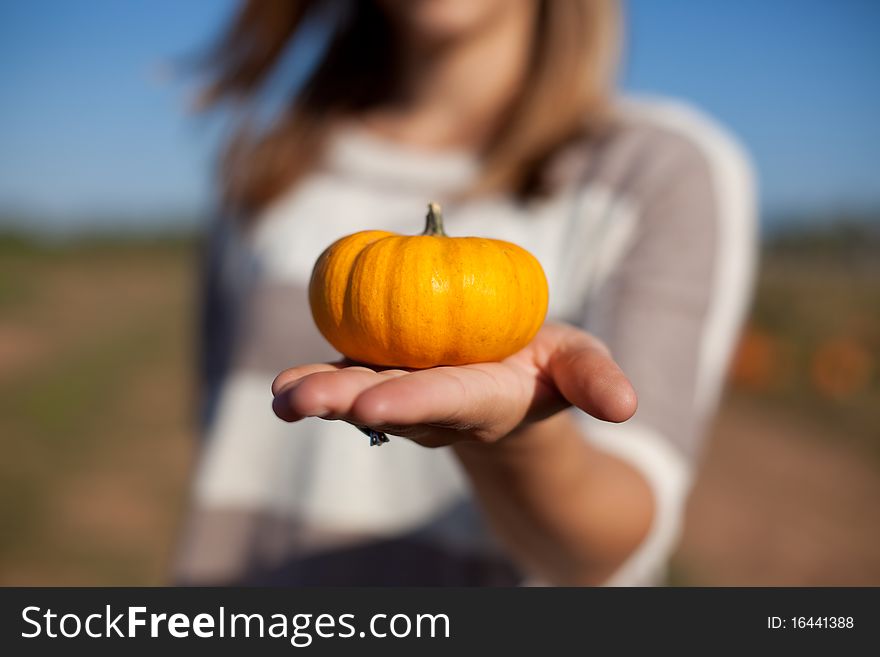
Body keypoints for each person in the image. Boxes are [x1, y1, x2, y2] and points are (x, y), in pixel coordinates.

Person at [174, 0, 756, 586]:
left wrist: (513, 439)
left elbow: (612, 544)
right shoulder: (268, 167)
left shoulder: (658, 168)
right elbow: (223, 428)